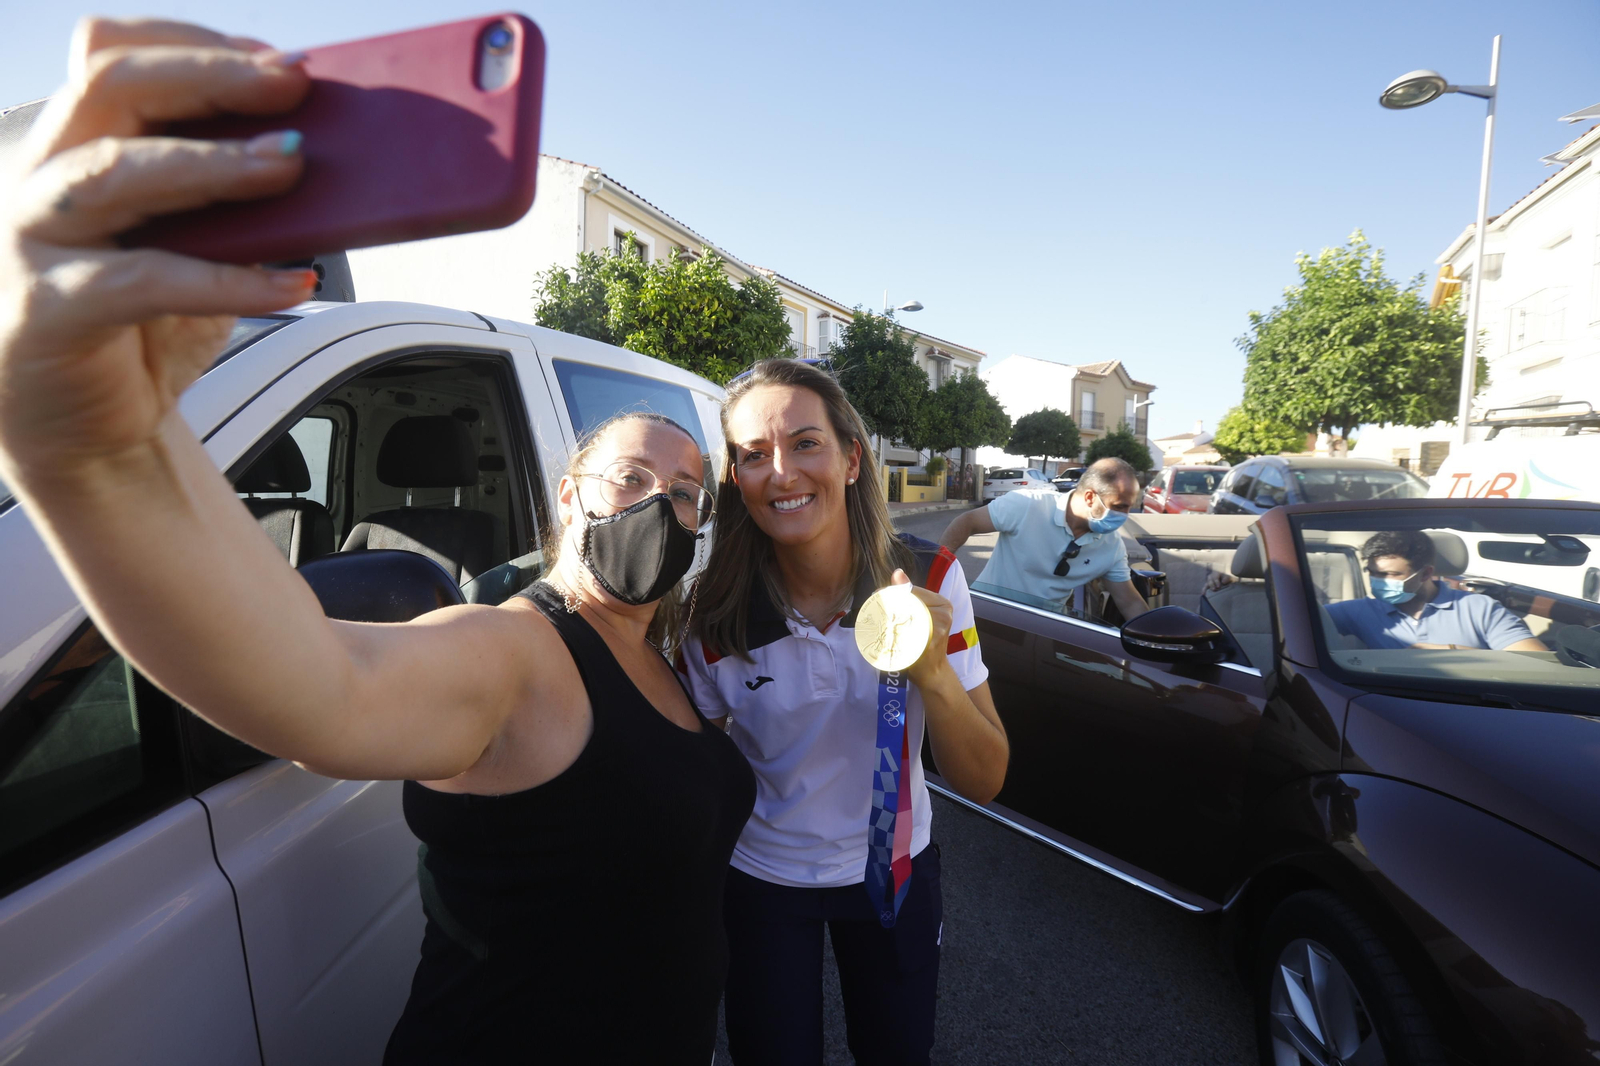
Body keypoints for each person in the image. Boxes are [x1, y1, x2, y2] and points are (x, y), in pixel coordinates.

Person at [0, 19, 754, 1064]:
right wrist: (97, 453)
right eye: (631, 477)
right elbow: (327, 688)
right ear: (571, 491)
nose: (659, 505)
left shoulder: (669, 651)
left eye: (685, 492)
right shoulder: (512, 651)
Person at [680, 359, 1008, 1066]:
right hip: (762, 881)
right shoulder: (709, 613)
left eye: (805, 443)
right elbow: (698, 766)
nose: (782, 473)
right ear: (736, 479)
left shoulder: (932, 580)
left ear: (852, 458)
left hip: (896, 871)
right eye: (753, 456)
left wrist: (933, 677)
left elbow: (985, 778)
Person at [940, 457, 1150, 622]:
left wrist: (1158, 641)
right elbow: (966, 522)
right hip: (984, 617)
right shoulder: (1027, 505)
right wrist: (938, 575)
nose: (1125, 515)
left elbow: (1129, 602)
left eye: (1129, 506)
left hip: (1043, 632)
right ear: (1089, 497)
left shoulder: (1111, 547)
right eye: (1120, 506)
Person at [1327, 530, 1546, 652]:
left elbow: (1536, 662)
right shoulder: (1359, 611)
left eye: (1392, 575)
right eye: (1373, 573)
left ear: (1425, 574)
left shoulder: (1479, 609)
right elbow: (1298, 620)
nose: (1378, 581)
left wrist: (1453, 653)